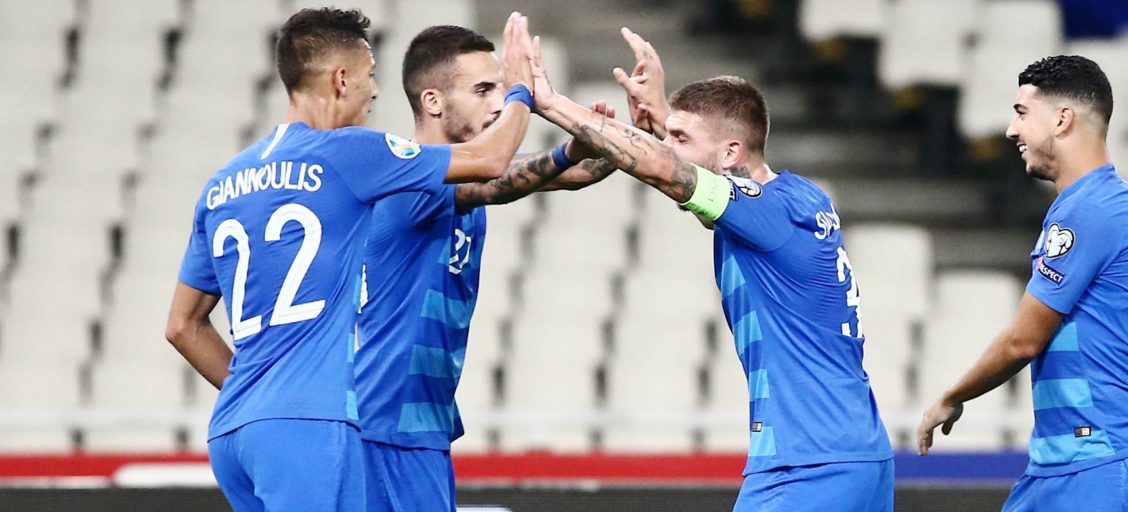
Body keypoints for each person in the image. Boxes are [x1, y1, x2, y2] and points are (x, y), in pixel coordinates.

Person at [165, 8, 538, 510]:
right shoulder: (348, 152)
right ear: (342, 80)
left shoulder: (223, 183)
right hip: (307, 425)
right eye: (370, 76)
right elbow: (491, 161)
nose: (375, 92)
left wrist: (256, 395)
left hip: (235, 428)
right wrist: (521, 90)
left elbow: (182, 326)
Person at [530, 29, 895, 511]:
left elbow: (667, 172)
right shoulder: (800, 197)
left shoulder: (767, 214)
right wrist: (663, 118)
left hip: (808, 462)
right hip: (859, 454)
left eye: (681, 139)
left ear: (730, 154)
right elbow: (708, 185)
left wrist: (549, 102)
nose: (668, 146)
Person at [355, 25, 615, 511]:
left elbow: (578, 170)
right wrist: (524, 97)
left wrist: (636, 132)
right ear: (433, 101)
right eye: (482, 90)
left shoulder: (458, 174)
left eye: (499, 88)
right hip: (389, 421)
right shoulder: (411, 178)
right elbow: (502, 178)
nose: (497, 103)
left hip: (418, 421)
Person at [916, 55, 1128, 511]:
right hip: (1069, 460)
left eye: (1021, 113)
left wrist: (952, 397)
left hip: (1100, 459)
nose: (1011, 130)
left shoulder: (1089, 209)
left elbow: (1023, 341)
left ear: (1062, 118)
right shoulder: (1108, 200)